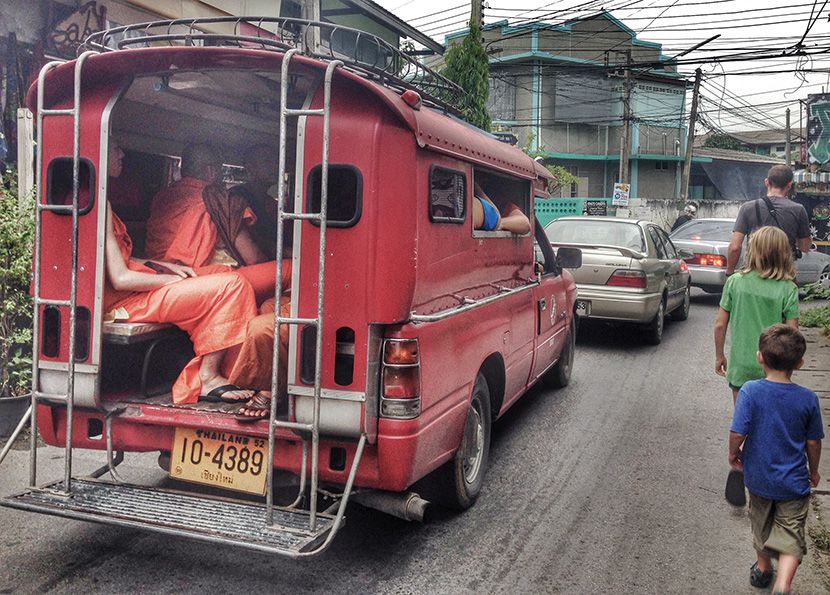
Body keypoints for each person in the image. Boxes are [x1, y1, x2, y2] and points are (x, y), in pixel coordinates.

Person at [104, 142, 257, 405]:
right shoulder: (97, 203)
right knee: (233, 284)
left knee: (219, 275)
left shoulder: (100, 198)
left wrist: (160, 264)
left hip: (136, 290)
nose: (123, 153)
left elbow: (117, 258)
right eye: (115, 147)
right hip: (125, 302)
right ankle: (207, 377)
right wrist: (170, 279)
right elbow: (120, 279)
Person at [728, 324, 823, 594]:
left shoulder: (749, 391)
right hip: (793, 482)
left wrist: (733, 453)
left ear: (760, 357)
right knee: (791, 531)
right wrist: (813, 471)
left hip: (758, 478)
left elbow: (738, 431)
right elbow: (813, 441)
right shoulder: (807, 398)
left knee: (761, 524)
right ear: (801, 363)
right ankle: (783, 583)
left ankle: (763, 570)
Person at [144, 143, 281, 302]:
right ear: (211, 171)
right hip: (200, 277)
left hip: (158, 274)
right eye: (221, 171)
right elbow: (254, 258)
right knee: (290, 270)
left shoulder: (162, 197)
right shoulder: (220, 200)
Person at [714, 226, 799, 406]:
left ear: (753, 251)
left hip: (741, 366)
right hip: (775, 368)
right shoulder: (788, 288)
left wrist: (719, 355)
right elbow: (792, 333)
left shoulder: (735, 282)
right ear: (784, 253)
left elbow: (720, 325)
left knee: (743, 420)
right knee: (769, 419)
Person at [725, 165, 812, 274]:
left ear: (766, 182)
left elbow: (735, 247)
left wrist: (730, 271)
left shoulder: (748, 208)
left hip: (754, 271)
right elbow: (804, 247)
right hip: (783, 274)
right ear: (789, 185)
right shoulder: (798, 209)